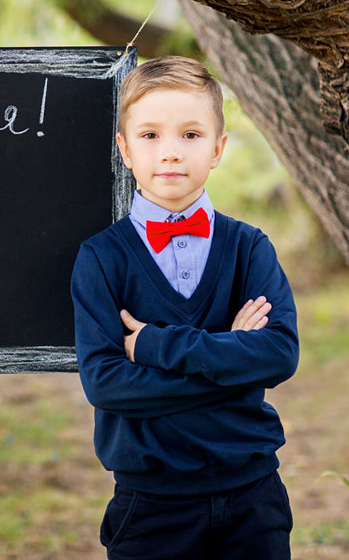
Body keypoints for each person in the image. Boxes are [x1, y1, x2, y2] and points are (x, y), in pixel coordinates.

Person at [71, 56, 299, 559]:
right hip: (152, 505)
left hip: (253, 498)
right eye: (150, 136)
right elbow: (105, 384)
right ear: (124, 150)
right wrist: (232, 358)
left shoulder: (248, 248)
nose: (171, 153)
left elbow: (280, 355)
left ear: (218, 149)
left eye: (191, 135)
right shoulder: (101, 259)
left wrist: (155, 344)